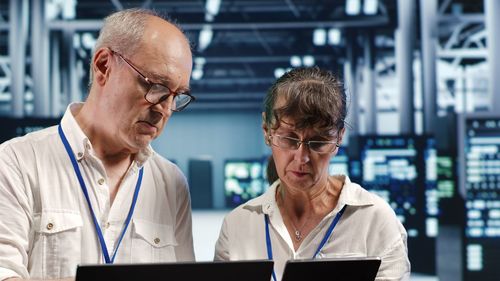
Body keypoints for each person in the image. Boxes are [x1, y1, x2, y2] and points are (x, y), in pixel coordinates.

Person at [0, 8, 196, 281]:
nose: (165, 109)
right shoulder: (16, 163)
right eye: (157, 87)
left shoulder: (171, 184)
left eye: (177, 96)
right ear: (104, 66)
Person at [214, 66, 411, 280]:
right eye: (288, 139)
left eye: (318, 142)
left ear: (339, 138)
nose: (302, 158)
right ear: (267, 132)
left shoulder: (374, 221)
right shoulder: (239, 225)